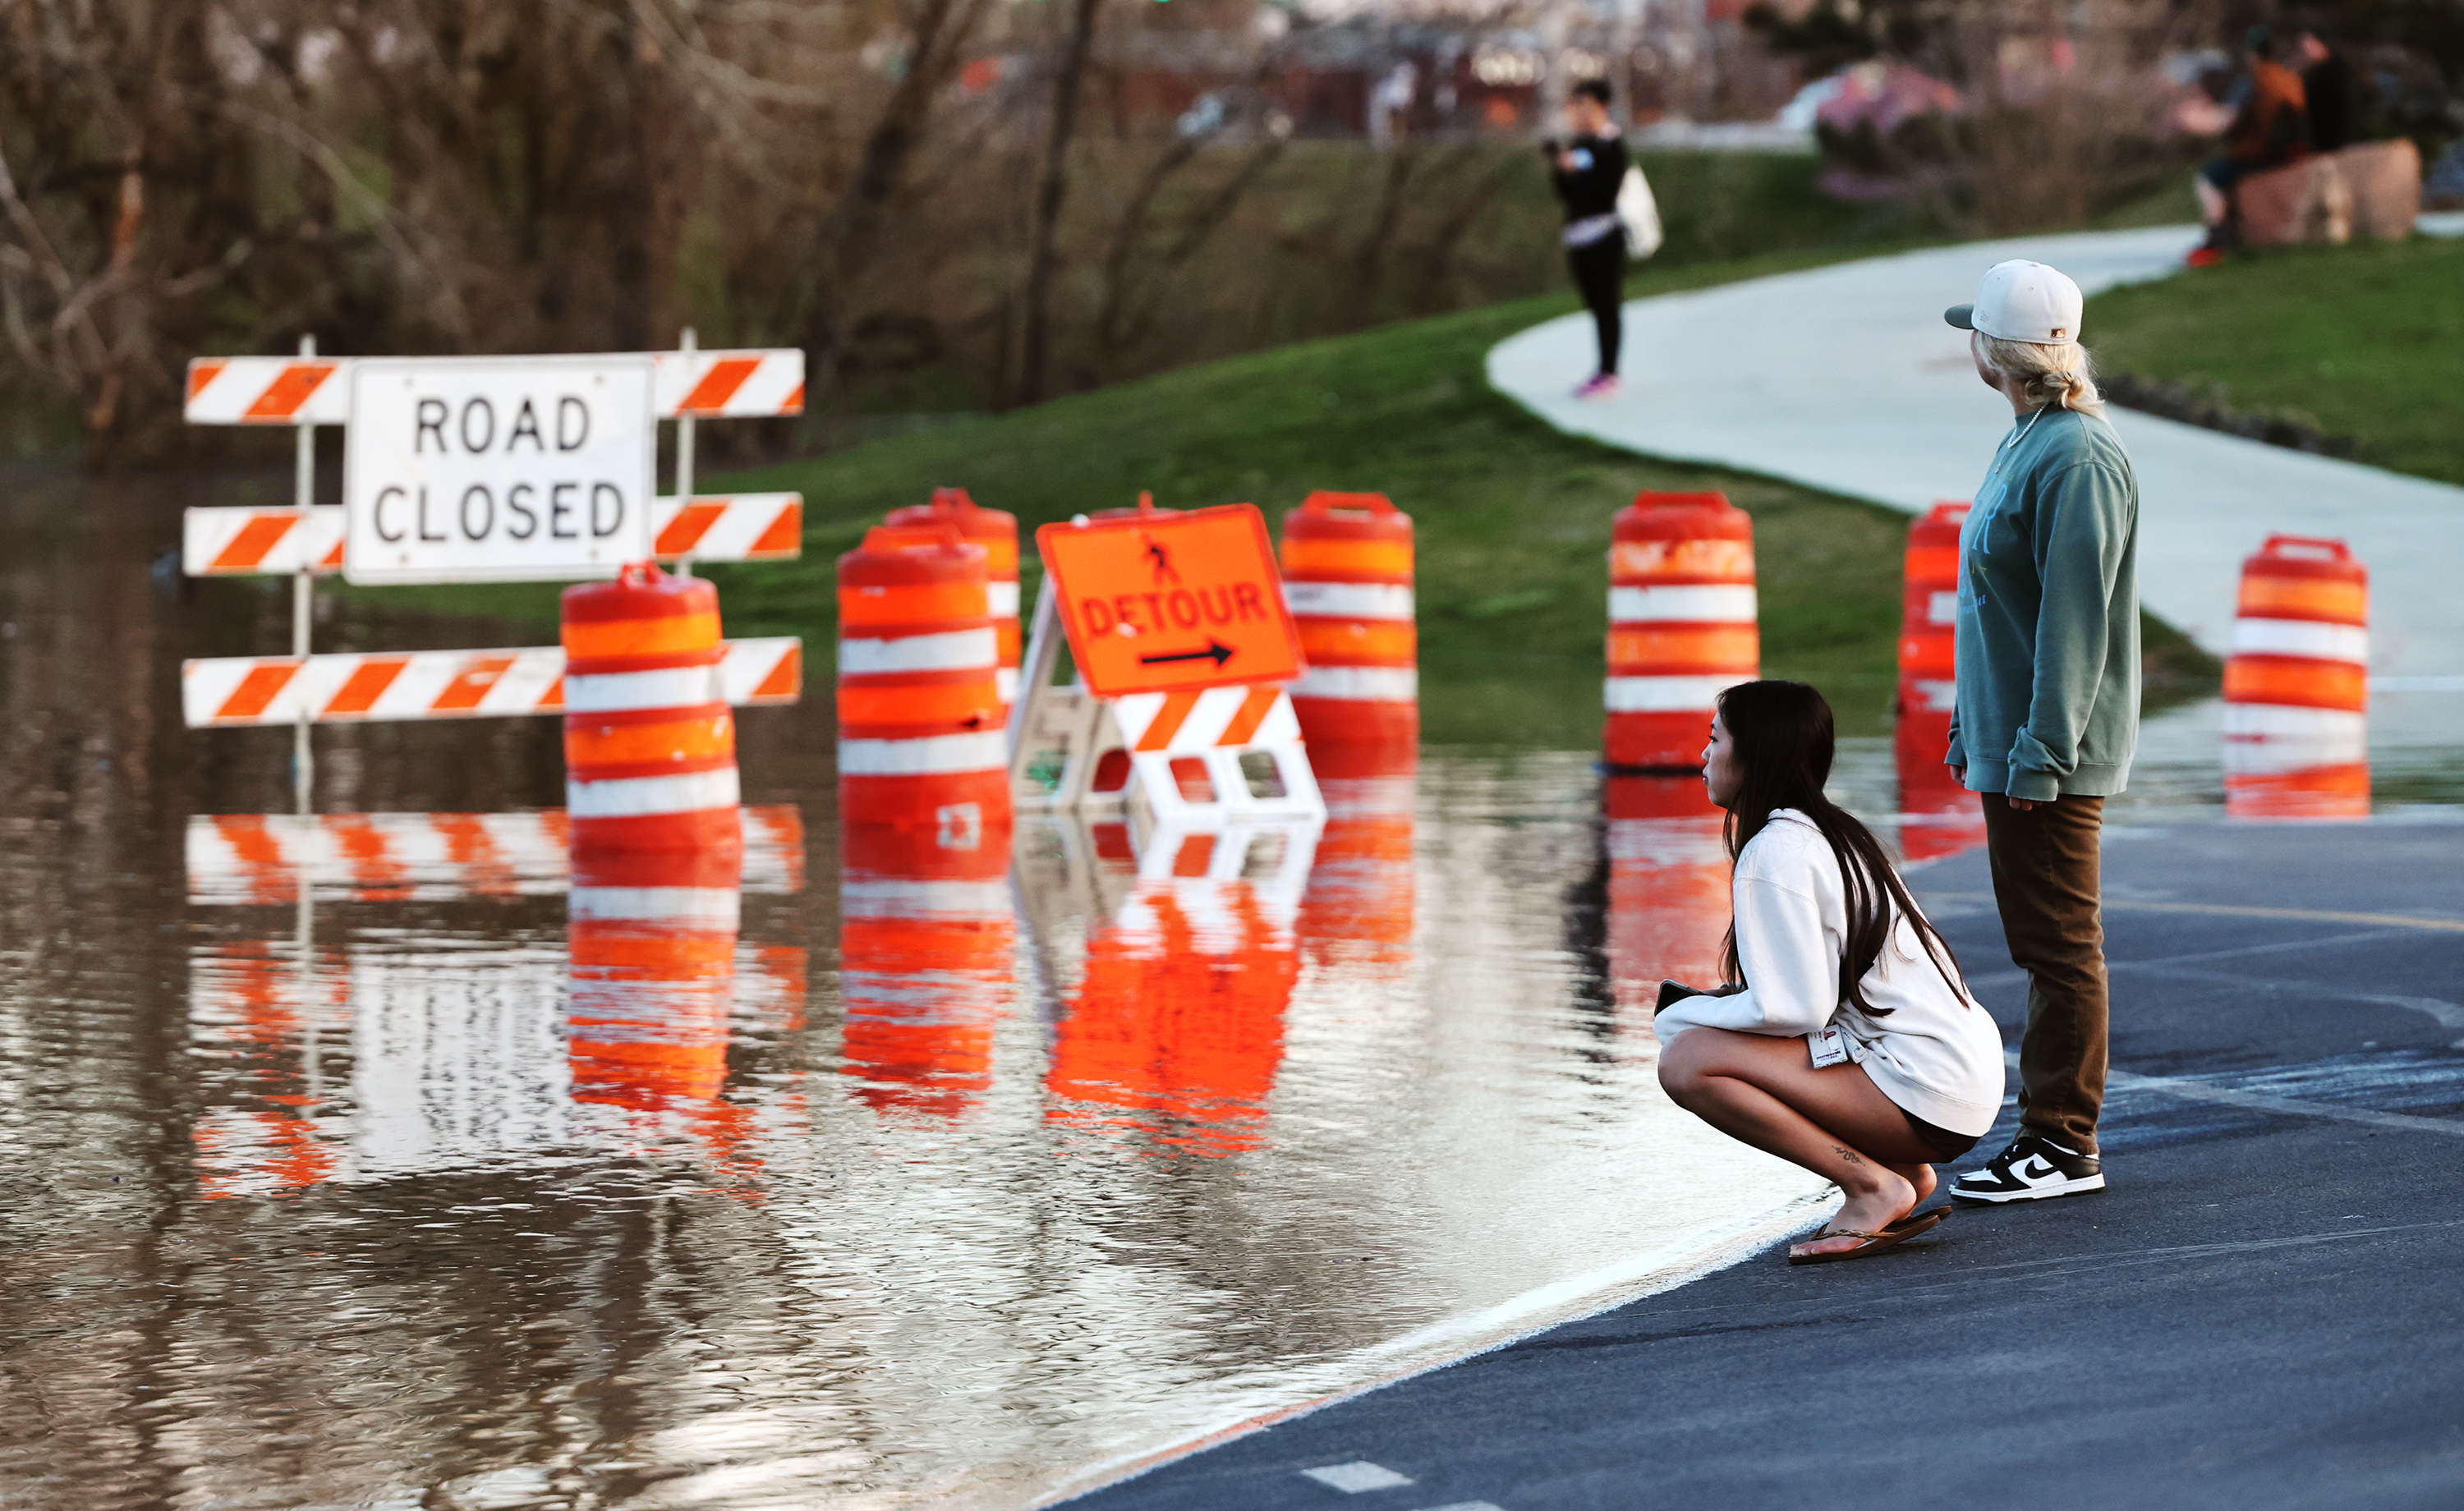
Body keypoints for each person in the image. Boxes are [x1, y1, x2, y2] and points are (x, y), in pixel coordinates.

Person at [1657, 681, 2006, 1266]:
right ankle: (1898, 1174)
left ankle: (1872, 1186)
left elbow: (1794, 1010)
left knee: (1687, 1060)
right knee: (1709, 1039)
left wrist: (1681, 1015)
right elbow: (1808, 1004)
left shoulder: (1776, 850)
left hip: (1927, 1086)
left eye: (1714, 739)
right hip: (1959, 1079)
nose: (1704, 755)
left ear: (1754, 753)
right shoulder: (1829, 833)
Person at [1938, 259, 2139, 1205]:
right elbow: (1996, 605)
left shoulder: (2078, 457)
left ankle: (2062, 1143)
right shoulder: (2028, 437)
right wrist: (1966, 723)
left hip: (2048, 751)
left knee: (2059, 944)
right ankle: (2050, 1136)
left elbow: (2074, 622)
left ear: (1994, 352)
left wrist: (2040, 751)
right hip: (2012, 739)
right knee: (2039, 940)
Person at [2190, 26, 2310, 263]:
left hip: (2261, 153)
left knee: (2208, 181)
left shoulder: (2253, 81)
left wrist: (2194, 119)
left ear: (2251, 54)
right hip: (2292, 152)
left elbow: (2226, 120)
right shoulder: (2289, 78)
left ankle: (2218, 238)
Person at [1547, 80, 1629, 400]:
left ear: (1600, 107)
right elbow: (1569, 196)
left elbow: (1605, 193)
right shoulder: (1580, 144)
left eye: (1584, 105)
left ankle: (1609, 373)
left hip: (1604, 234)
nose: (1579, 112)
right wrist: (1560, 169)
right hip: (1578, 236)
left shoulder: (1611, 145)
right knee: (1594, 306)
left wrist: (1580, 170)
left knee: (1607, 305)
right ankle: (1603, 370)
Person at [2296, 25, 2357, 153]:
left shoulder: (2331, 74)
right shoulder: (2326, 69)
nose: (2302, 49)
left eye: (2306, 43)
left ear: (2320, 44)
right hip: (2328, 143)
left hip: (2330, 145)